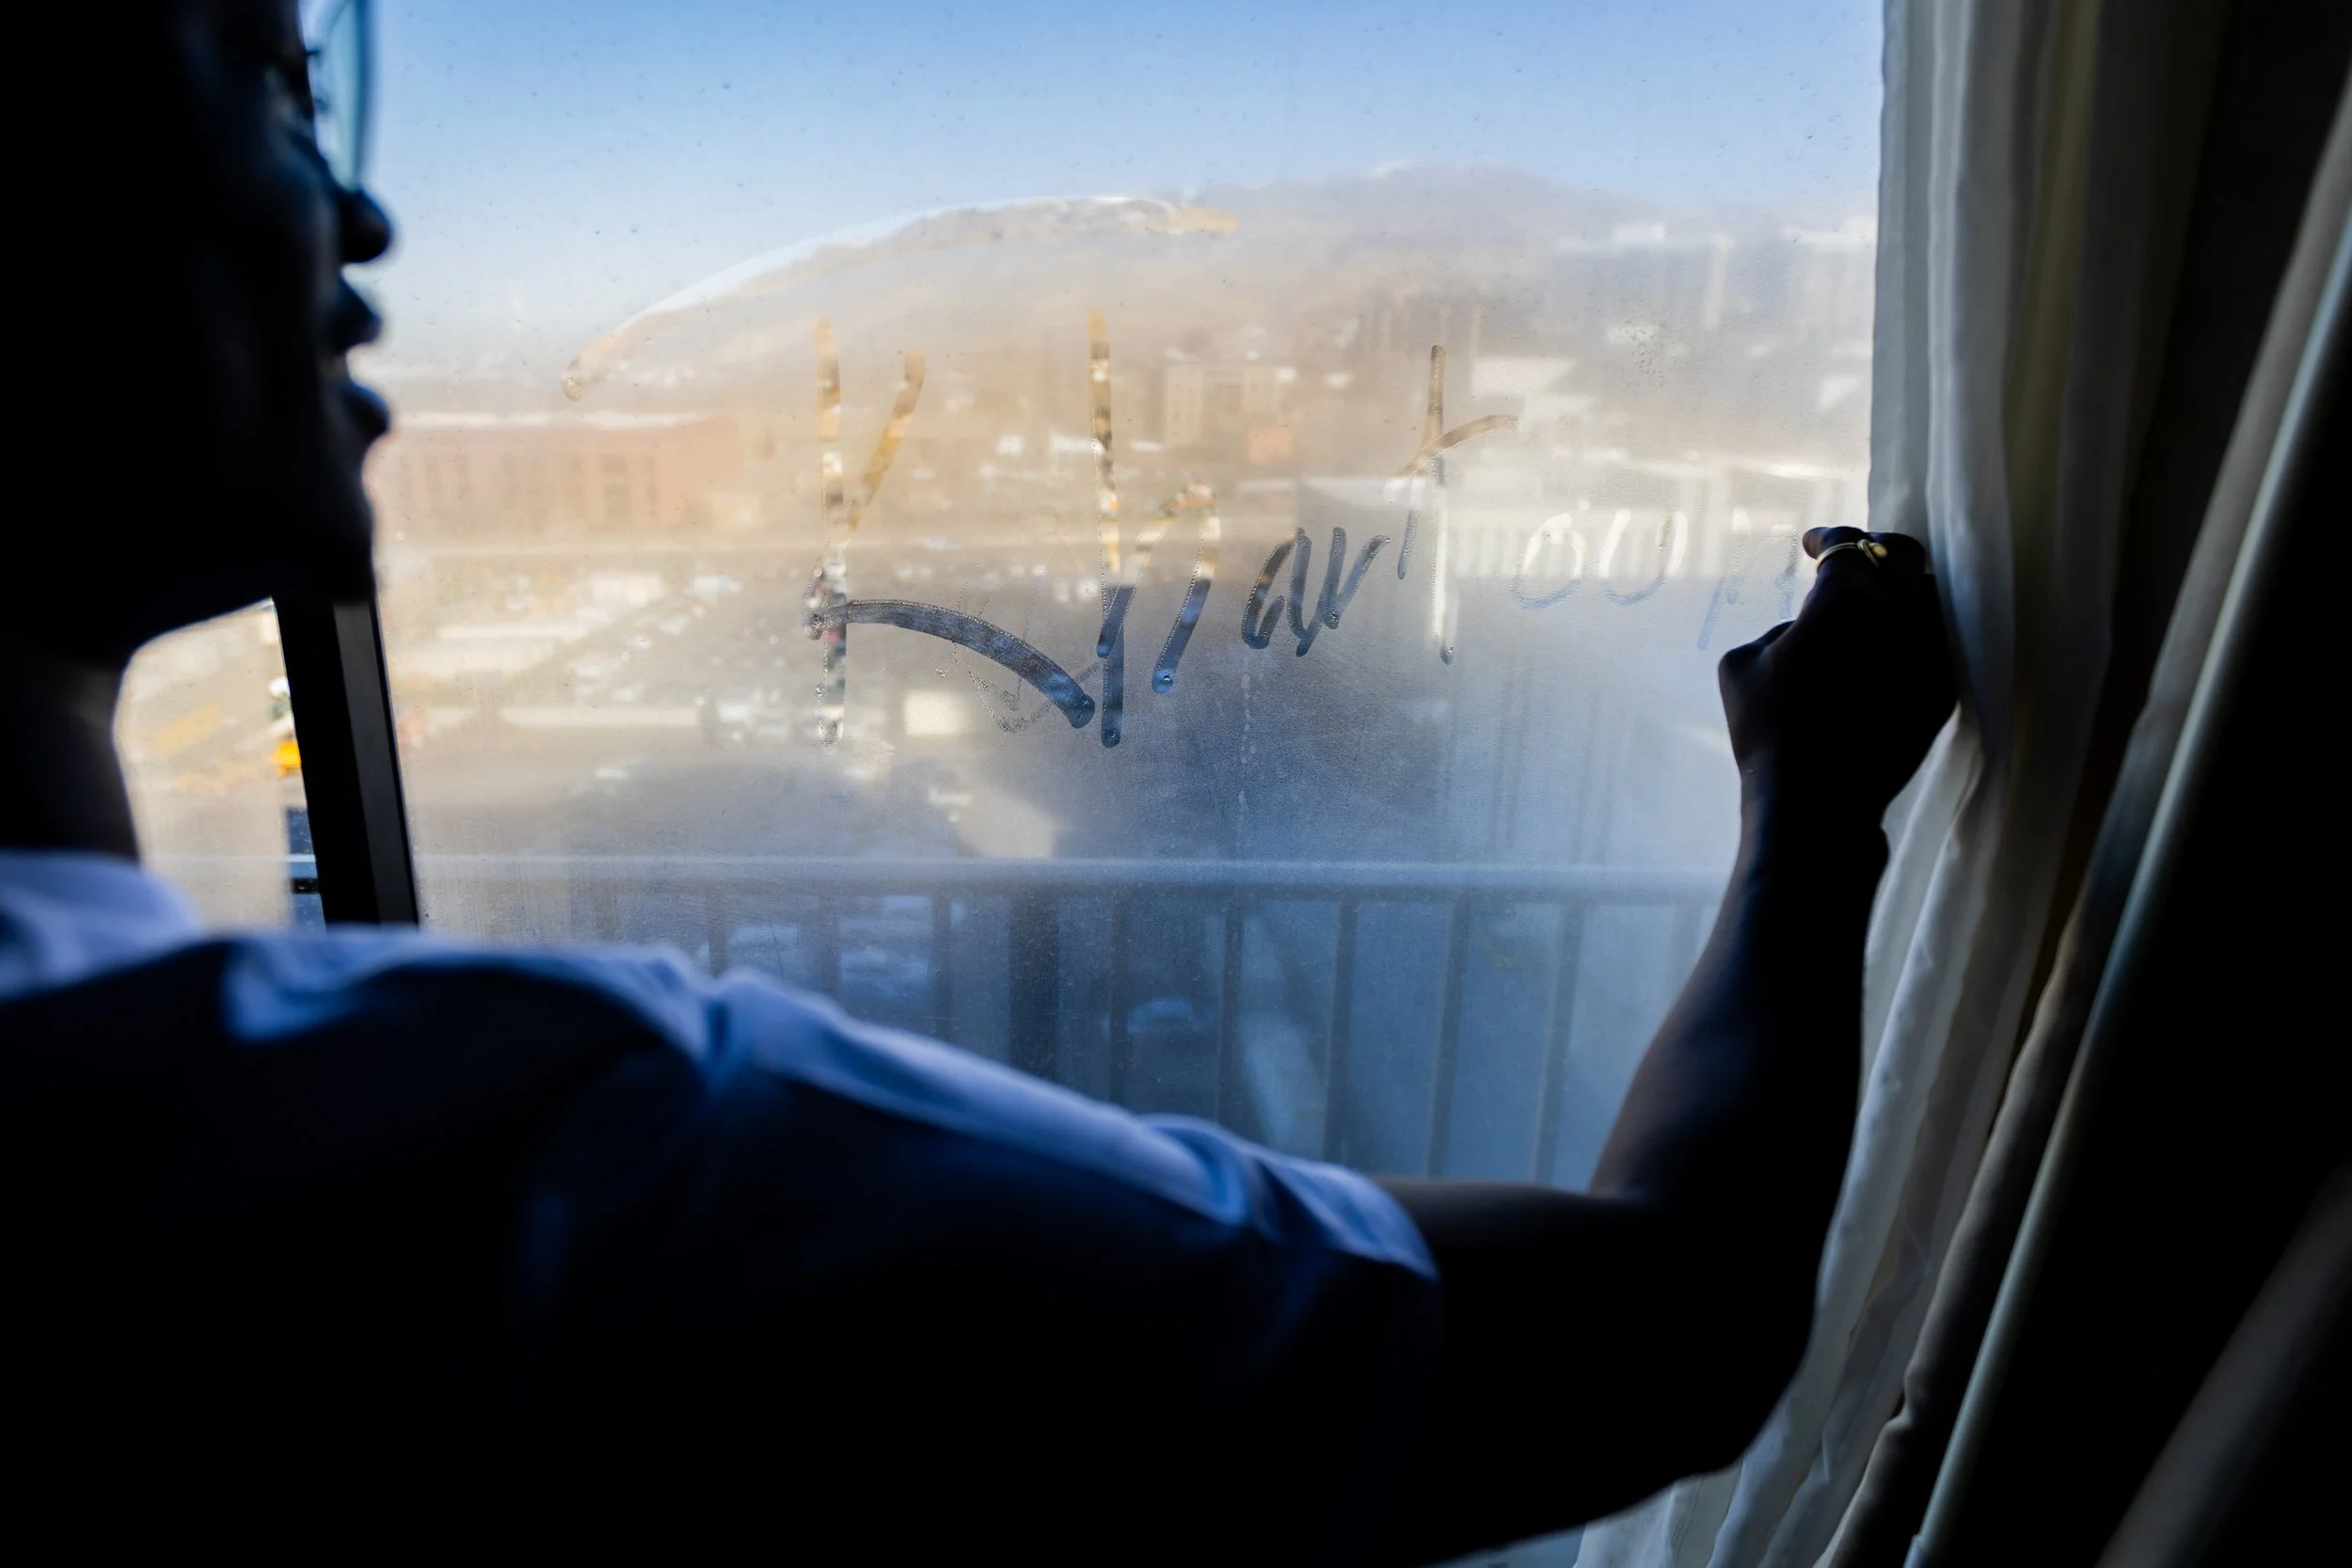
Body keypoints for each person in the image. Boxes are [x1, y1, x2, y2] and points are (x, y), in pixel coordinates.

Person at [0, 3, 1956, 1560]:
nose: (362, 221)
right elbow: (1648, 1341)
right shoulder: (535, 1155)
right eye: (271, 79)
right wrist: (1814, 800)